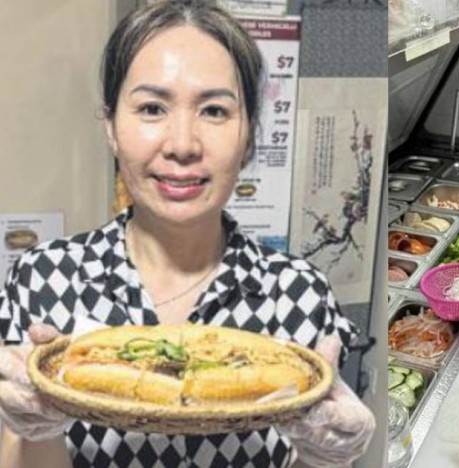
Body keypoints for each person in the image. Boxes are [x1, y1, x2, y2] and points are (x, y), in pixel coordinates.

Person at [0, 2, 375, 467]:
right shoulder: (44, 278)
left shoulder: (299, 294)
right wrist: (36, 424)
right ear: (112, 127)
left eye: (214, 110)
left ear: (249, 134)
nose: (182, 145)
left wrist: (326, 458)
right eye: (152, 107)